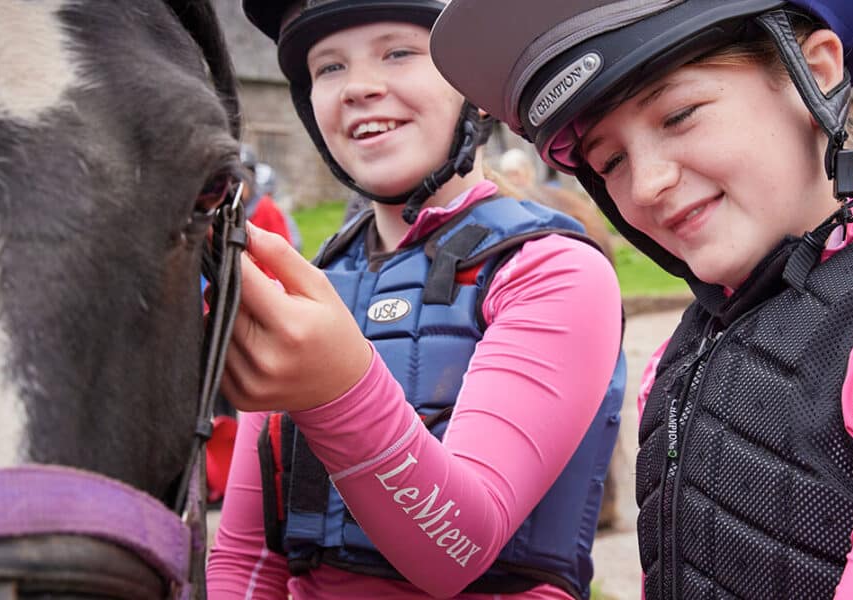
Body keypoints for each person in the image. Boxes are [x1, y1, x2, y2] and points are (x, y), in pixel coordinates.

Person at [430, 0, 853, 598]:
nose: (647, 183)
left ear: (814, 73)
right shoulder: (674, 357)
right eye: (611, 161)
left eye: (679, 114)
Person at [207, 1, 626, 598]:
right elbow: (247, 557)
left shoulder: (552, 269)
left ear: (476, 89)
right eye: (328, 67)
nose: (358, 87)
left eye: (398, 52)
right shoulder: (305, 281)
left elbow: (455, 554)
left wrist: (333, 388)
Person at [498, 148, 615, 262]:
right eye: (508, 175)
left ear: (528, 172)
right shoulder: (511, 208)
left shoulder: (552, 200)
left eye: (515, 174)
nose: (513, 180)